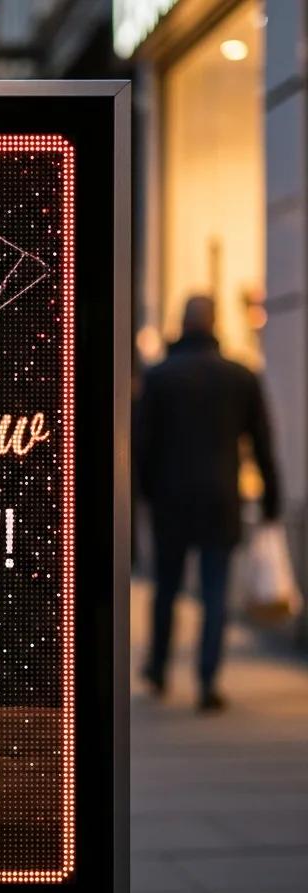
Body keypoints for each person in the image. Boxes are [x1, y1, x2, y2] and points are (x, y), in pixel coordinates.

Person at [135, 295, 280, 711]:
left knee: (167, 588)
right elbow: (262, 443)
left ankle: (159, 667)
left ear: (182, 322)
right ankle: (207, 679)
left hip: (170, 500)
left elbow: (141, 445)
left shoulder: (161, 377)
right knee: (215, 592)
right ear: (215, 323)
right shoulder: (239, 376)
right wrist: (271, 500)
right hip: (221, 498)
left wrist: (144, 493)